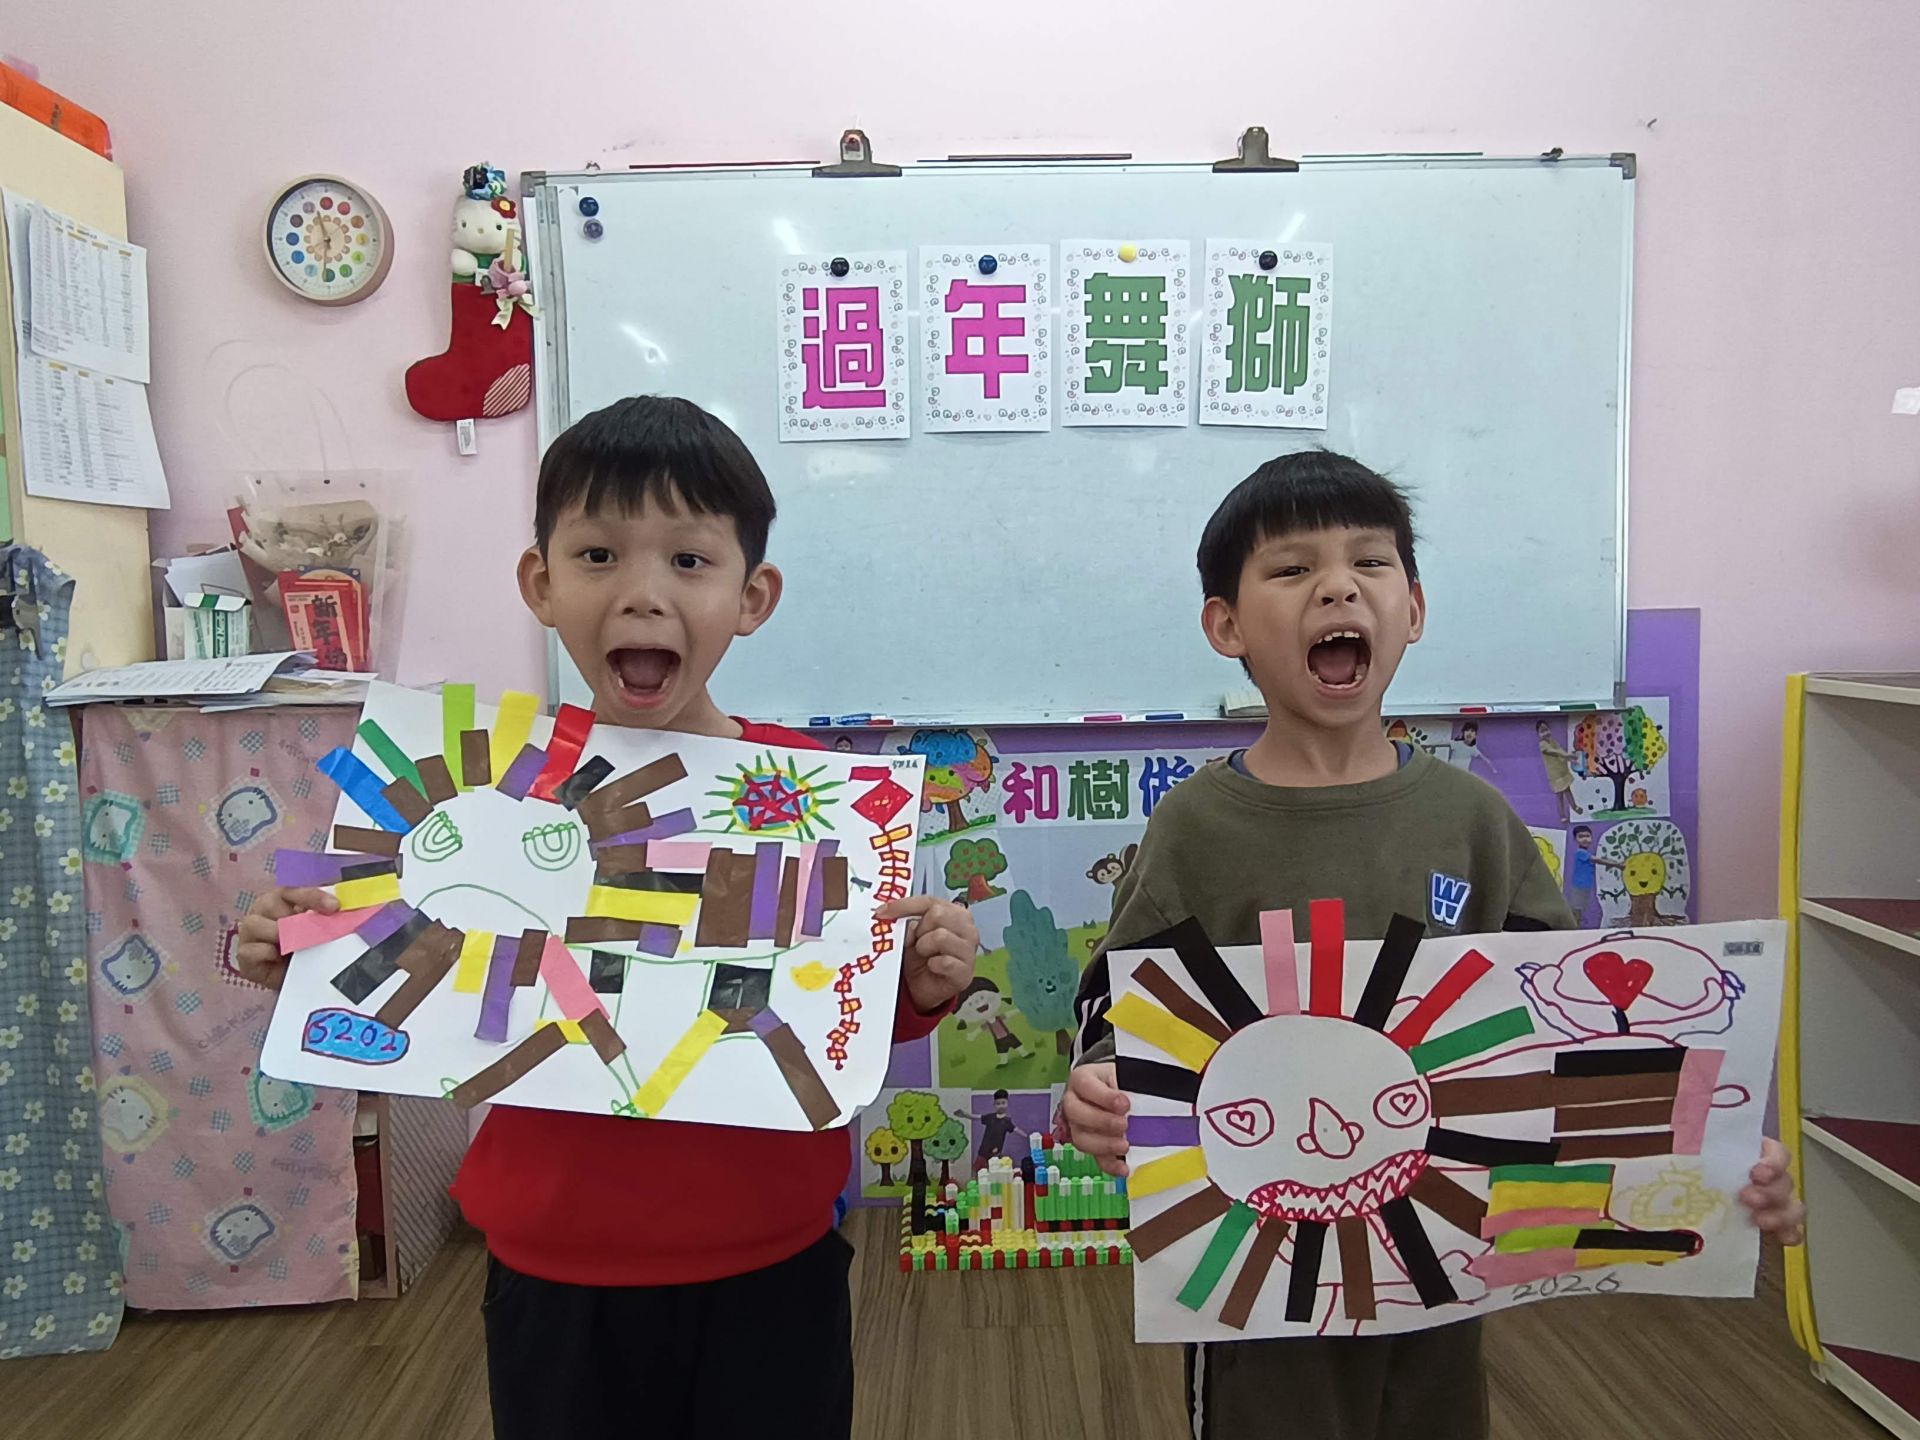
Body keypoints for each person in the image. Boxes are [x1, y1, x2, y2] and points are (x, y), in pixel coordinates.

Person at [233, 396, 978, 1440]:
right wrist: (304, 948)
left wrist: (921, 984)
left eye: (688, 560)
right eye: (597, 555)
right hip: (554, 1265)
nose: (641, 592)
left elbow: (832, 1010)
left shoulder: (809, 796)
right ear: (540, 583)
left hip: (771, 1257)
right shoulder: (488, 788)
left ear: (751, 596)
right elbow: (412, 968)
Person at [1061, 451, 1804, 1440]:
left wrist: (1712, 1148)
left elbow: (1574, 1036)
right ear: (1226, 625)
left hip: (1442, 1270)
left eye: (1370, 563)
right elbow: (1119, 1010)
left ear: (1411, 608)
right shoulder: (1195, 829)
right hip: (1260, 1286)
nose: (1338, 586)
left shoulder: (1473, 820)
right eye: (1293, 569)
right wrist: (1099, 1087)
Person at [956, 1088, 1025, 1168]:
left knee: (993, 1170)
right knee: (977, 1170)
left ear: (1007, 1103)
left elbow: (1016, 1130)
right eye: (998, 1103)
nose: (1001, 1106)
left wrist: (1027, 1137)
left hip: (995, 1154)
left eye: (1003, 1103)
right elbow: (977, 1117)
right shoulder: (990, 1117)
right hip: (983, 1152)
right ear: (994, 1105)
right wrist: (965, 1115)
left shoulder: (1007, 1122)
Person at [1537, 719, 1586, 822]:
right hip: (1555, 774)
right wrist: (1568, 755)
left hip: (1562, 771)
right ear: (1538, 734)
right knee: (1559, 795)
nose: (1545, 733)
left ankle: (1574, 806)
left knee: (1567, 790)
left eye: (1546, 729)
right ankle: (1562, 815)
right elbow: (1555, 752)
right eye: (1542, 731)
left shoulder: (1553, 742)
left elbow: (1561, 752)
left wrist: (1570, 759)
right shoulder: (1543, 745)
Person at [1567, 822, 1598, 924]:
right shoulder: (1580, 852)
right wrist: (1616, 864)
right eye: (1581, 837)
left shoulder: (1585, 852)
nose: (1585, 839)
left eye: (1587, 836)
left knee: (1580, 910)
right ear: (1575, 839)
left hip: (1585, 886)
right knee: (1576, 910)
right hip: (1579, 886)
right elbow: (1597, 860)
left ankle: (1577, 925)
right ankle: (1574, 927)